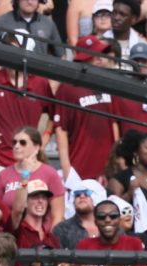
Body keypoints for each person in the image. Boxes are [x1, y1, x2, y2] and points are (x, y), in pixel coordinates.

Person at [55, 35, 118, 181]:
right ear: (83, 57)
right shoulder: (67, 87)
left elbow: (115, 123)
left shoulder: (110, 83)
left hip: (107, 169)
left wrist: (116, 161)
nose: (100, 58)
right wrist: (66, 167)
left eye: (101, 54)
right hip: (79, 166)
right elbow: (60, 128)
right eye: (95, 55)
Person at [0, 127, 66, 227]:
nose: (17, 146)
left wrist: (49, 239)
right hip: (10, 235)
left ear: (37, 147)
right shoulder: (3, 174)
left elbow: (58, 215)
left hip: (40, 237)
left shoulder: (50, 173)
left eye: (22, 142)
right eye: (14, 142)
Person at [0, 0, 64, 56]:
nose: (29, 2)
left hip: (38, 75)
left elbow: (60, 54)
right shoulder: (1, 21)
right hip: (8, 74)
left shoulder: (48, 24)